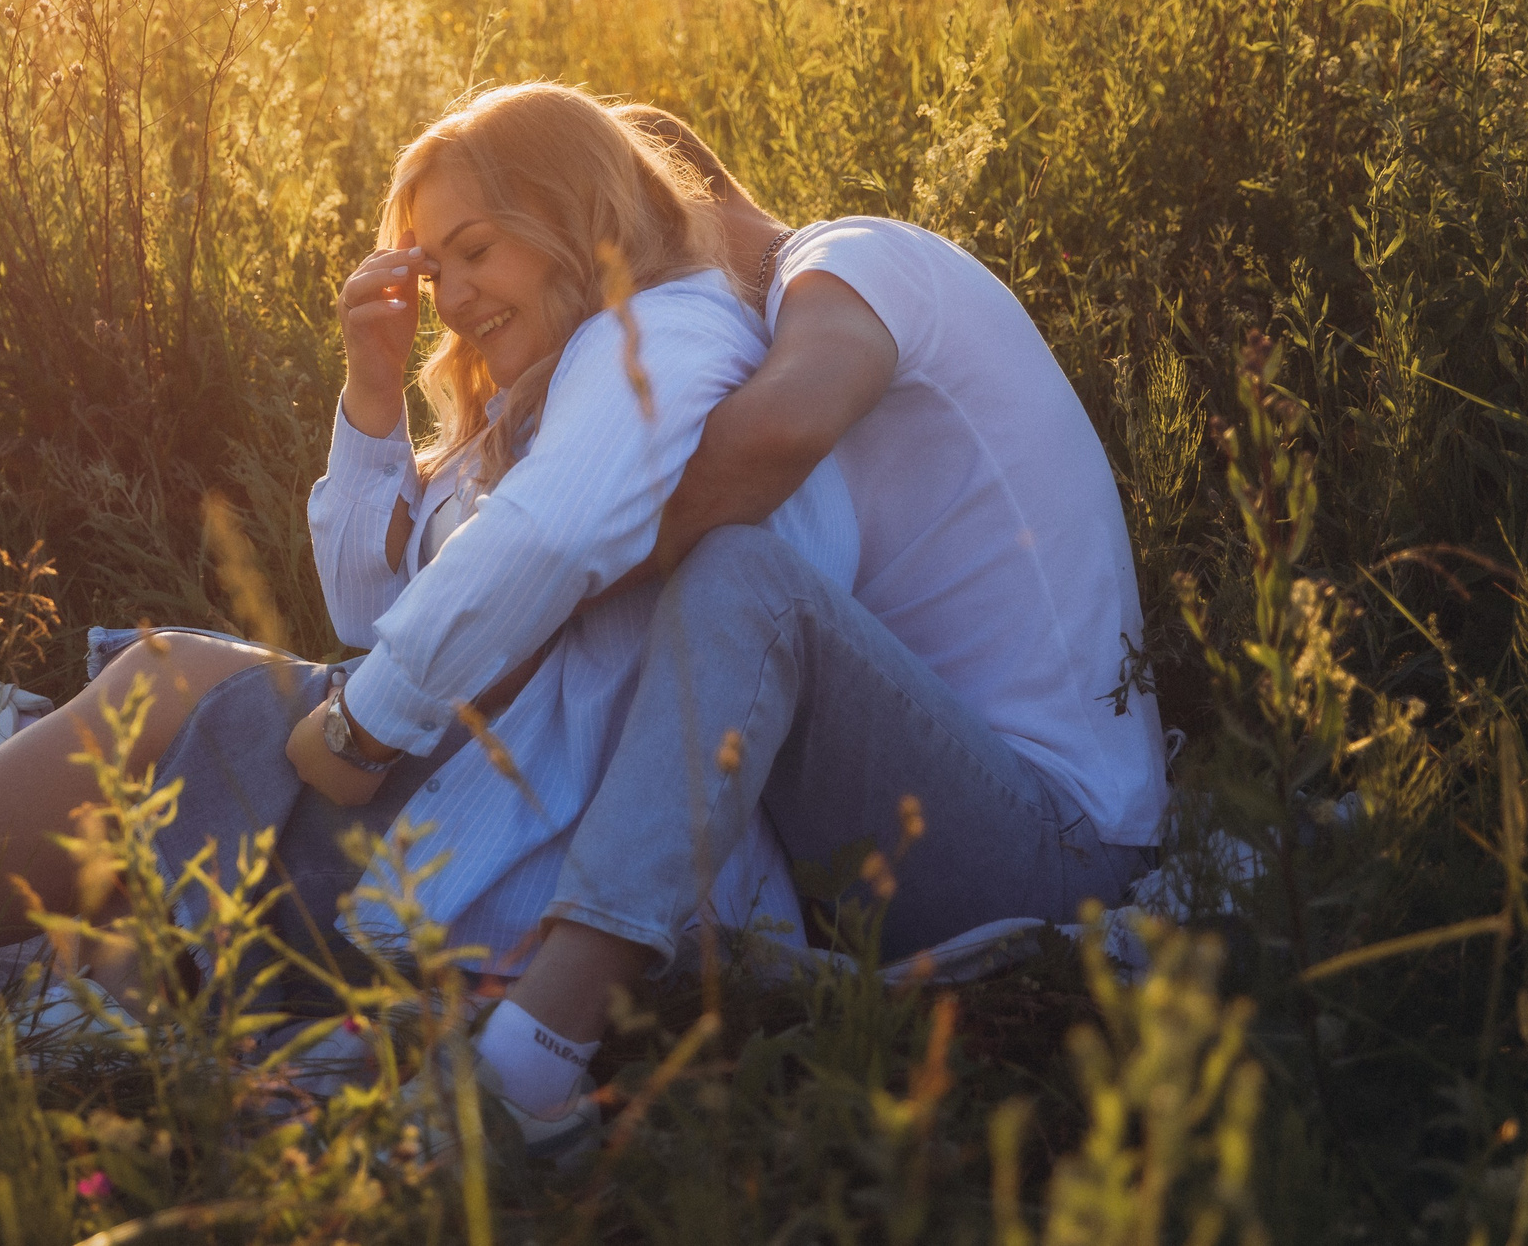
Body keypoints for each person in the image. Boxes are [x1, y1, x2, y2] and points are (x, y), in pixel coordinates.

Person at [0, 85, 858, 1145]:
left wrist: (362, 726)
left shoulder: (667, 330)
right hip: (514, 794)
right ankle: (0, 816)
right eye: (433, 265)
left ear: (572, 217)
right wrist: (371, 391)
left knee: (170, 688)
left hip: (579, 851)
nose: (450, 295)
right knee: (178, 696)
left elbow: (545, 540)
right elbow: (370, 606)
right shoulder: (560, 376)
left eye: (476, 250)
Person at [448, 105, 1170, 1138]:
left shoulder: (851, 260)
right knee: (698, 602)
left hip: (1063, 844)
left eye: (622, 248)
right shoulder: (762, 334)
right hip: (941, 814)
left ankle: (530, 1057)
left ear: (677, 200)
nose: (626, 307)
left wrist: (568, 569)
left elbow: (784, 425)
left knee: (745, 576)